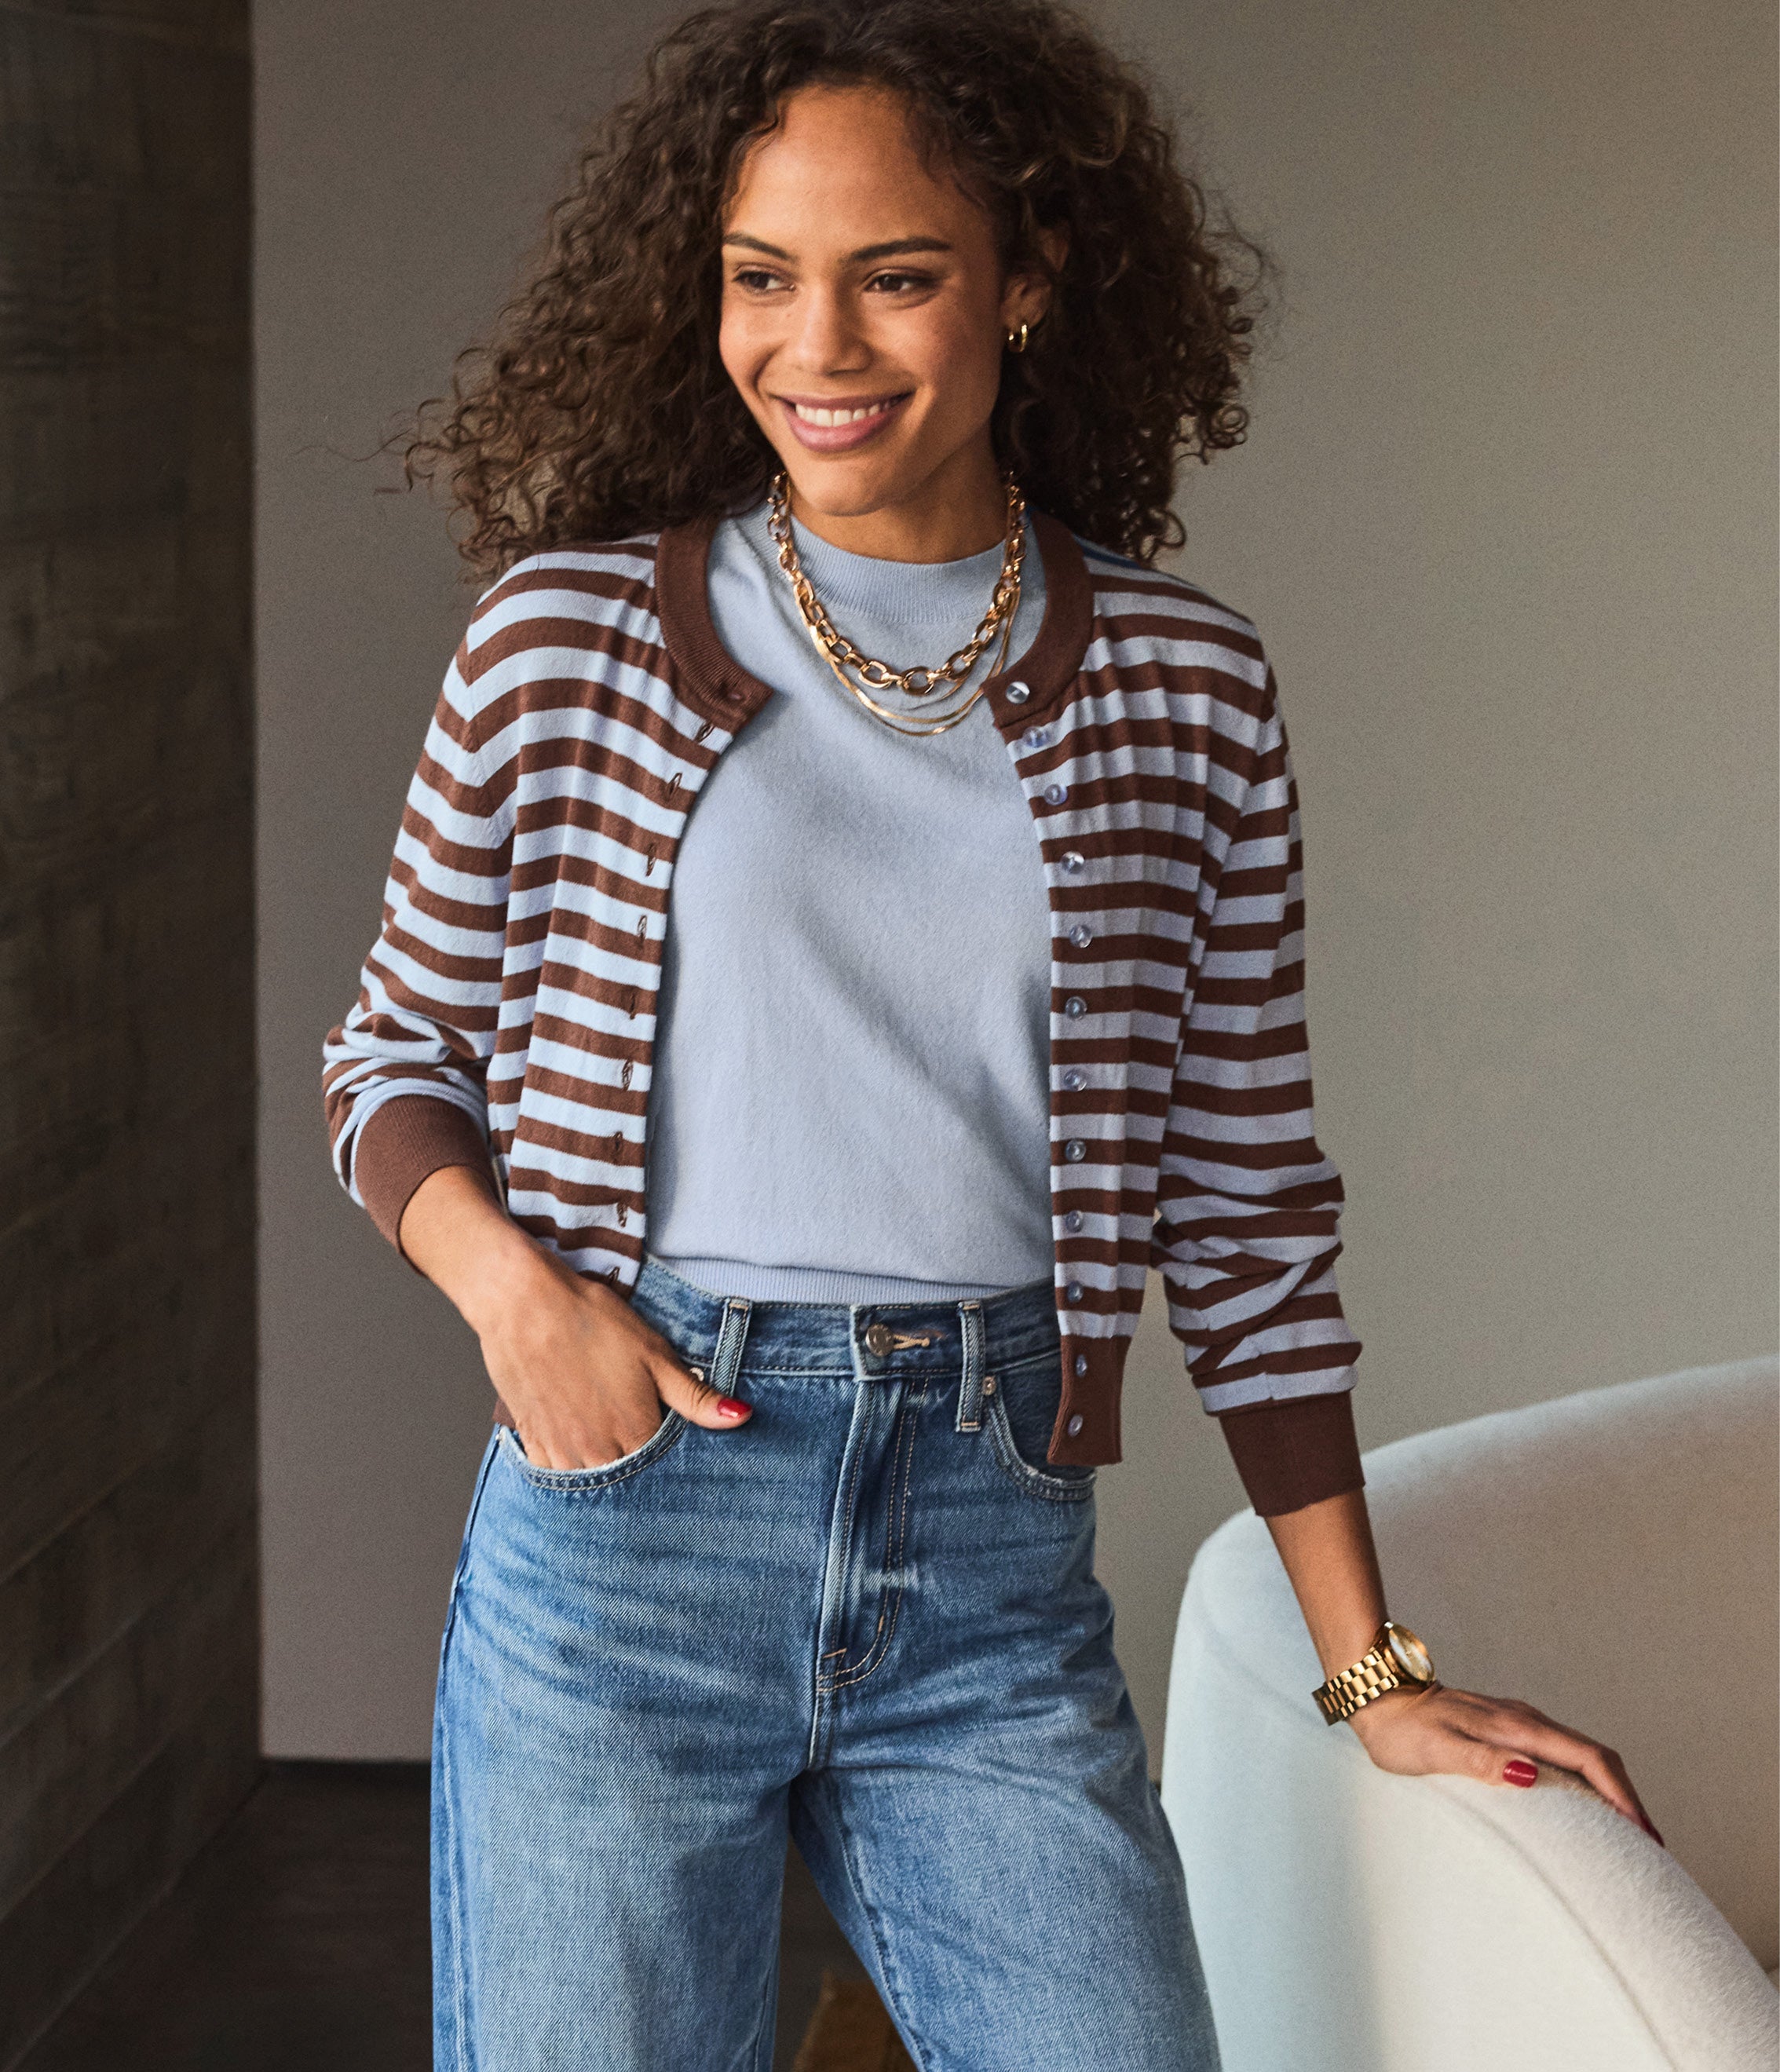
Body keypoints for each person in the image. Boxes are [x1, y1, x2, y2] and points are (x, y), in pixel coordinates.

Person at [322, 4, 1661, 2066]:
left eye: (897, 275)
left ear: (1026, 281)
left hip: (982, 1548)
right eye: (760, 278)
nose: (817, 346)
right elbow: (391, 1061)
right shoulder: (564, 636)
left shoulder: (1183, 685)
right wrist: (517, 1305)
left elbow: (1238, 1201)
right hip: (629, 1540)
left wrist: (1374, 1670)